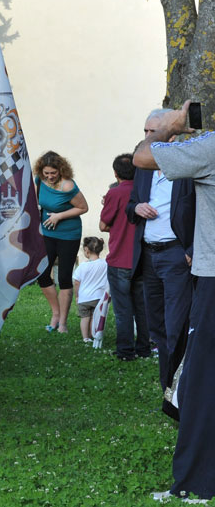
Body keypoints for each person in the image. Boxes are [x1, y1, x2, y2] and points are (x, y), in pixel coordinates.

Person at [132, 101, 213, 502]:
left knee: (199, 380)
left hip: (213, 277)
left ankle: (197, 483)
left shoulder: (210, 147)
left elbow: (142, 156)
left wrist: (171, 125)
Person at [128, 109, 195, 382]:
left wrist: (192, 249)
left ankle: (178, 389)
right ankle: (167, 386)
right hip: (148, 256)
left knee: (176, 325)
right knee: (156, 327)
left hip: (176, 255)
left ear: (171, 132)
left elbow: (203, 210)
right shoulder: (143, 168)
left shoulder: (188, 166)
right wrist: (137, 208)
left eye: (152, 132)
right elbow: (131, 205)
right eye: (145, 131)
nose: (147, 137)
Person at [100, 153, 150, 359]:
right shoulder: (145, 191)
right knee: (142, 308)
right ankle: (144, 349)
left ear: (115, 173)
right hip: (142, 259)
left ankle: (125, 351)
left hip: (119, 258)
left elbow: (103, 225)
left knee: (123, 309)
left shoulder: (115, 193)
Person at [34, 151, 88, 333]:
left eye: (53, 173)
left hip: (68, 234)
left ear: (61, 170)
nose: (49, 177)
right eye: (46, 173)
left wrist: (59, 216)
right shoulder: (38, 181)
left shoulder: (67, 186)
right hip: (46, 233)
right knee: (42, 273)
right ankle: (55, 313)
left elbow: (83, 207)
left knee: (64, 277)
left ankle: (63, 323)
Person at [72, 237, 108, 342]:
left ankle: (85, 338)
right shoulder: (105, 264)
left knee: (84, 318)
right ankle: (93, 335)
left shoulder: (83, 266)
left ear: (86, 250)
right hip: (98, 297)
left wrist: (77, 296)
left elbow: (76, 282)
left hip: (84, 298)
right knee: (93, 317)